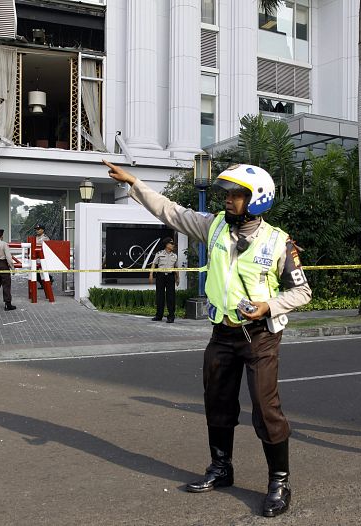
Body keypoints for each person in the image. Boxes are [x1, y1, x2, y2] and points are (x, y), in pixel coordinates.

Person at [104, 160, 311, 518]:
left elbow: (303, 292)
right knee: (217, 401)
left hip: (260, 337)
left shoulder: (278, 243)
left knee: (265, 407)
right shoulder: (214, 226)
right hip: (222, 333)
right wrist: (134, 183)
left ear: (257, 199)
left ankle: (278, 481)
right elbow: (172, 211)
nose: (228, 201)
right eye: (227, 194)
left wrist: (268, 306)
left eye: (236, 195)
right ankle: (221, 468)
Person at [149, 236, 179, 323]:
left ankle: (171, 316)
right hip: (160, 276)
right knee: (160, 296)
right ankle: (159, 315)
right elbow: (154, 264)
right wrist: (151, 275)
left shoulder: (175, 256)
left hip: (170, 277)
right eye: (171, 244)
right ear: (166, 245)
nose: (173, 245)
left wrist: (178, 278)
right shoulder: (159, 253)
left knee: (171, 297)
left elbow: (176, 267)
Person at [34, 224, 50, 289]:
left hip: (42, 258)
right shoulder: (35, 238)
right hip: (36, 258)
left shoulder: (45, 238)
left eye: (38, 229)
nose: (37, 231)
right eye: (36, 229)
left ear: (42, 230)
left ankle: (47, 284)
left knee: (43, 272)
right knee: (37, 273)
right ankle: (44, 284)